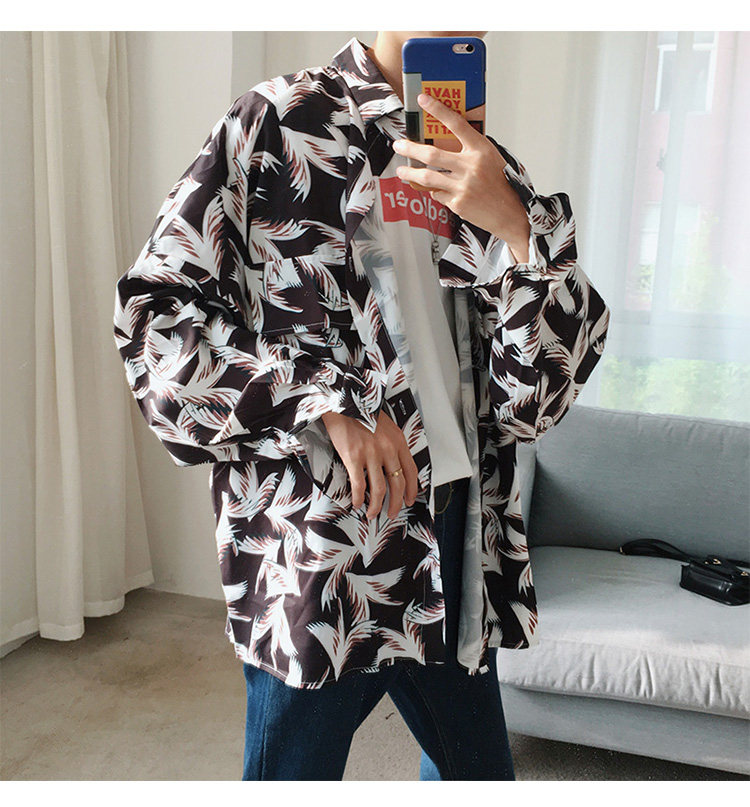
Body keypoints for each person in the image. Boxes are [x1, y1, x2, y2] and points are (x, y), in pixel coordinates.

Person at [113, 31, 611, 780]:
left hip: (453, 530)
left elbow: (534, 398)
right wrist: (325, 403)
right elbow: (155, 319)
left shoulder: (483, 163)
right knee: (292, 777)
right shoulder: (275, 122)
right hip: (325, 540)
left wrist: (518, 226)